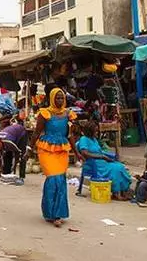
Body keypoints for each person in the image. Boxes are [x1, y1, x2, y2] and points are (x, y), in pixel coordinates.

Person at [28, 88, 80, 227]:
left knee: (61, 180)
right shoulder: (44, 114)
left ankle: (57, 214)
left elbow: (70, 136)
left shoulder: (69, 115)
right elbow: (36, 133)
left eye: (61, 98)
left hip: (62, 150)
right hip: (46, 149)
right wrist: (29, 149)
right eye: (57, 98)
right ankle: (49, 212)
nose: (59, 101)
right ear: (51, 99)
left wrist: (76, 152)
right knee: (53, 178)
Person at [76, 121, 132, 200]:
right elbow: (85, 153)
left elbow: (100, 151)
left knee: (120, 166)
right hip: (93, 163)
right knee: (116, 169)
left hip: (102, 162)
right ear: (90, 131)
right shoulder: (84, 139)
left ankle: (120, 191)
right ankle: (117, 193)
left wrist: (110, 156)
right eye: (95, 131)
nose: (97, 132)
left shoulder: (94, 140)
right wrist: (102, 157)